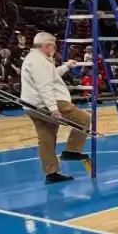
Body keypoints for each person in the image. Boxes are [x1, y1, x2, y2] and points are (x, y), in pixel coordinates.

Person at [19, 32, 86, 184]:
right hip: (46, 103)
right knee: (83, 119)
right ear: (46, 46)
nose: (55, 49)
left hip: (32, 105)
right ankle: (72, 151)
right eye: (54, 46)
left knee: (46, 138)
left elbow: (51, 75)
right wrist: (54, 109)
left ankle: (51, 173)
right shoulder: (39, 61)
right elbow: (45, 87)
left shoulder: (36, 59)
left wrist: (66, 67)